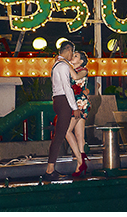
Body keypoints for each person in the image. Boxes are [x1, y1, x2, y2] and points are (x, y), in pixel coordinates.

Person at [45, 41, 81, 181]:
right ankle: (49, 170)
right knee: (59, 136)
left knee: (59, 135)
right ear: (69, 50)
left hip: (57, 100)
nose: (72, 55)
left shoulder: (56, 65)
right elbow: (67, 88)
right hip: (64, 101)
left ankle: (51, 168)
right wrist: (75, 107)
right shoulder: (63, 66)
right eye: (72, 52)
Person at [67, 51, 91, 174]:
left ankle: (80, 161)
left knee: (67, 131)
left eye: (75, 56)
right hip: (76, 103)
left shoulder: (83, 70)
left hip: (79, 103)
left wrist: (66, 64)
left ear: (81, 61)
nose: (72, 57)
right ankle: (80, 166)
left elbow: (76, 77)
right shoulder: (70, 69)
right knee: (79, 135)